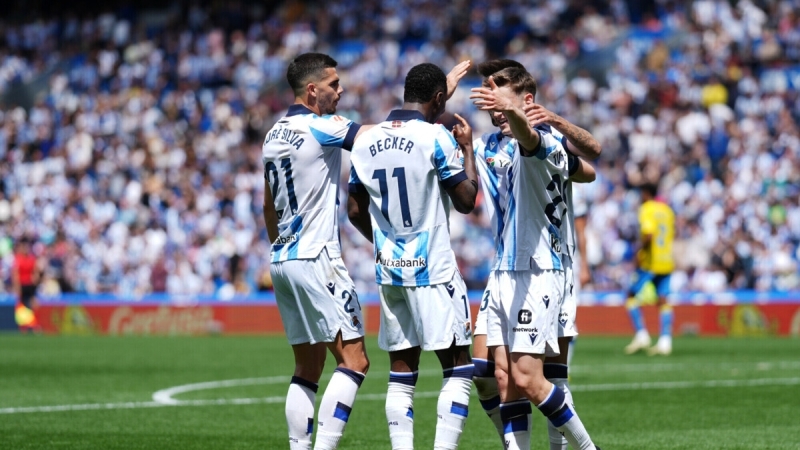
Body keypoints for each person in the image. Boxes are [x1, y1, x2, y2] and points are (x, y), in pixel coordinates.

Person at [347, 62, 478, 450]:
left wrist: (387, 242)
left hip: (390, 270)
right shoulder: (436, 137)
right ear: (438, 98)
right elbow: (467, 200)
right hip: (433, 269)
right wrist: (467, 149)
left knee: (402, 373)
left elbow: (354, 211)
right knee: (458, 369)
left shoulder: (366, 139)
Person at [470, 66, 601, 450]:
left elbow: (590, 160)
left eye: (502, 99)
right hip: (504, 267)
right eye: (490, 99)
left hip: (542, 266)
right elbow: (588, 171)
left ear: (526, 102)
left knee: (533, 378)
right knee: (496, 375)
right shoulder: (486, 145)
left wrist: (548, 120)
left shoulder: (542, 138)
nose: (495, 108)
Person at [262, 52, 371, 450]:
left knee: (308, 365)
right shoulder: (322, 126)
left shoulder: (273, 134)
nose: (341, 91)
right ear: (312, 90)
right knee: (354, 361)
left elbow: (268, 205)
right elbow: (378, 139)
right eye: (334, 85)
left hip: (283, 258)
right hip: (316, 257)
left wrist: (282, 247)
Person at [524, 97, 602, 450]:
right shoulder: (511, 152)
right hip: (530, 266)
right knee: (522, 373)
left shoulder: (556, 153)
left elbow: (580, 222)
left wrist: (583, 264)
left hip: (559, 265)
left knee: (548, 371)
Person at [624, 182, 675, 356]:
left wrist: (639, 252)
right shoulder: (667, 211)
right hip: (666, 260)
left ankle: (642, 335)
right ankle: (665, 341)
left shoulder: (647, 208)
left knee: (631, 295)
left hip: (650, 262)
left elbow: (649, 234)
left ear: (646, 194)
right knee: (663, 300)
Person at [12, 236, 41, 333]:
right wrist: (17, 287)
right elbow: (15, 274)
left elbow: (35, 270)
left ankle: (35, 325)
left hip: (30, 285)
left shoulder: (31, 258)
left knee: (34, 305)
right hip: (22, 285)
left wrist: (35, 277)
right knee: (21, 307)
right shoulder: (18, 259)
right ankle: (23, 327)